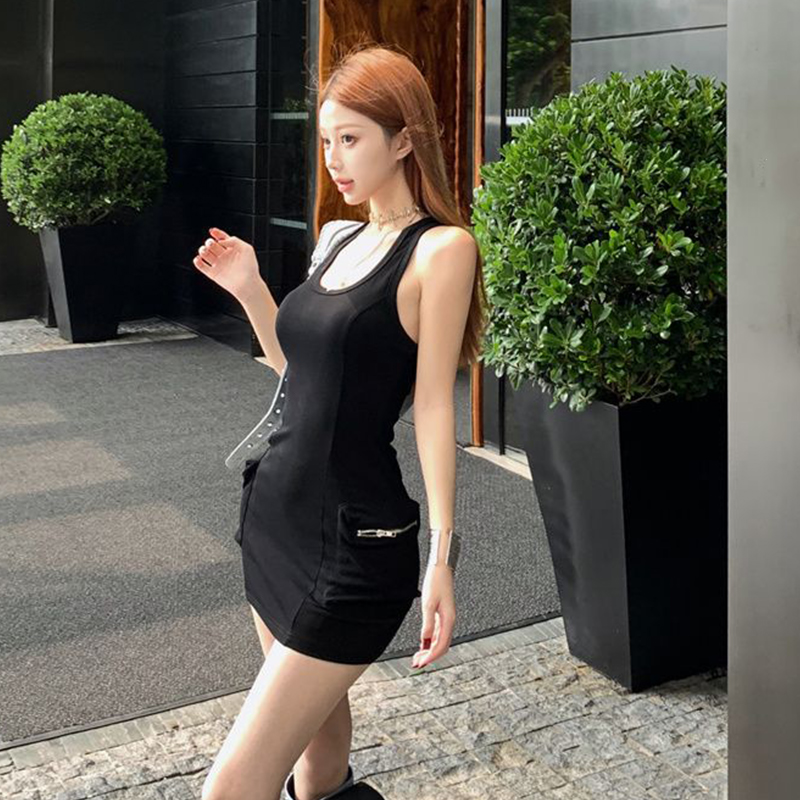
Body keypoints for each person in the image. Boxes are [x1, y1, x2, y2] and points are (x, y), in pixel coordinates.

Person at [192, 43, 487, 800]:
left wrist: (444, 556)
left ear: (404, 139)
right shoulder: (336, 238)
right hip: (275, 519)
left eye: (350, 138)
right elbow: (303, 378)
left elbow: (432, 406)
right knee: (318, 754)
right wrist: (252, 289)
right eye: (326, 140)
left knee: (230, 790)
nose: (333, 159)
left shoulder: (442, 251)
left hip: (356, 545)